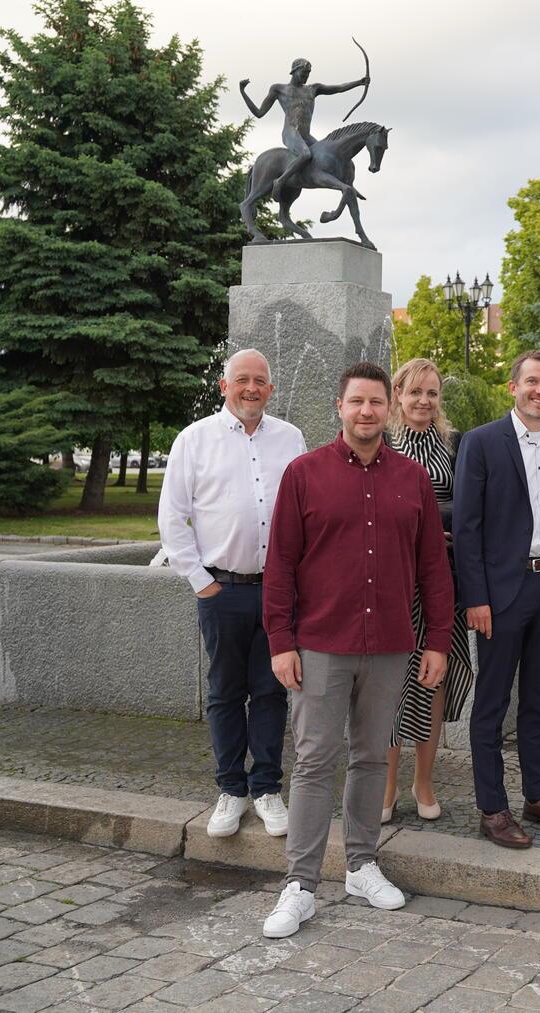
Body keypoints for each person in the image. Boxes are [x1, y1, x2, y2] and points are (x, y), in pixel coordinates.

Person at [261, 362, 451, 938]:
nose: (366, 412)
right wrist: (280, 641)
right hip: (320, 643)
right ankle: (300, 883)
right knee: (316, 761)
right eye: (356, 402)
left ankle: (362, 864)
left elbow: (433, 569)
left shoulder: (412, 478)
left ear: (387, 410)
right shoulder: (304, 474)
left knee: (372, 756)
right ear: (339, 407)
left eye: (375, 402)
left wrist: (437, 639)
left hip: (391, 644)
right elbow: (280, 565)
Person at [159, 348, 306, 841]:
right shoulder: (194, 439)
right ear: (224, 386)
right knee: (224, 693)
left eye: (259, 381)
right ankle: (230, 789)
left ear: (271, 388)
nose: (250, 388)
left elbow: (304, 513)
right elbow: (171, 518)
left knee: (270, 690)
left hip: (277, 592)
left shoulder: (291, 438)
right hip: (222, 591)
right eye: (241, 379)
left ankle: (266, 788)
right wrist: (203, 583)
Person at [454, 350, 540, 849]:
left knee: (539, 699)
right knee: (492, 701)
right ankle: (492, 808)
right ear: (513, 386)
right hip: (502, 592)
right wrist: (476, 597)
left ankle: (537, 794)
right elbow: (467, 527)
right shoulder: (482, 442)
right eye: (532, 381)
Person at [381, 359, 475, 824]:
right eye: (414, 391)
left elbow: (471, 505)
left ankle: (424, 780)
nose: (423, 400)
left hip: (443, 581)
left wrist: (441, 528)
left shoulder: (456, 445)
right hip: (393, 583)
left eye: (432, 393)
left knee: (432, 676)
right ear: (397, 394)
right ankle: (386, 784)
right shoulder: (381, 443)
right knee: (393, 680)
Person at [239, 58, 369, 198]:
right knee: (306, 154)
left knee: (327, 155)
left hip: (306, 136)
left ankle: (349, 186)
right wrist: (243, 92)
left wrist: (359, 83)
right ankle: (279, 181)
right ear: (294, 71)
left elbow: (338, 88)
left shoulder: (313, 89)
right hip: (291, 133)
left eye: (308, 73)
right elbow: (259, 113)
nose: (306, 76)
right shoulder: (279, 89)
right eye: (303, 73)